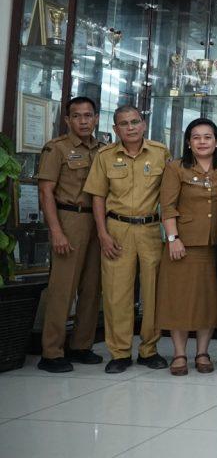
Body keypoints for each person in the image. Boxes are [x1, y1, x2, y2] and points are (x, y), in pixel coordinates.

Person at [84, 105, 170, 374]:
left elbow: (170, 195)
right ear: (115, 129)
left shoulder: (160, 152)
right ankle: (120, 352)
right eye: (124, 124)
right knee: (116, 293)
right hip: (116, 229)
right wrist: (102, 233)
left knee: (153, 291)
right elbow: (97, 196)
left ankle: (149, 349)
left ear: (144, 124)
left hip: (150, 229)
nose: (130, 128)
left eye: (135, 122)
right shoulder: (105, 156)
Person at [156, 118, 217, 375]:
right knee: (178, 299)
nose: (202, 142)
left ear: (216, 142)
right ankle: (179, 354)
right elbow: (167, 206)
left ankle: (202, 352)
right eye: (196, 137)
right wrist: (172, 238)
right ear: (188, 142)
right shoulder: (176, 168)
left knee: (208, 301)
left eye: (207, 137)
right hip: (183, 244)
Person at [36, 97, 106, 373]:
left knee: (92, 287)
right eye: (77, 116)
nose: (83, 121)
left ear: (96, 118)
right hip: (69, 219)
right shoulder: (57, 148)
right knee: (63, 288)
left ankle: (81, 346)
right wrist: (56, 231)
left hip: (97, 221)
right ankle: (51, 351)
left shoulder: (103, 150)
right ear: (67, 120)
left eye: (88, 116)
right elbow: (45, 192)